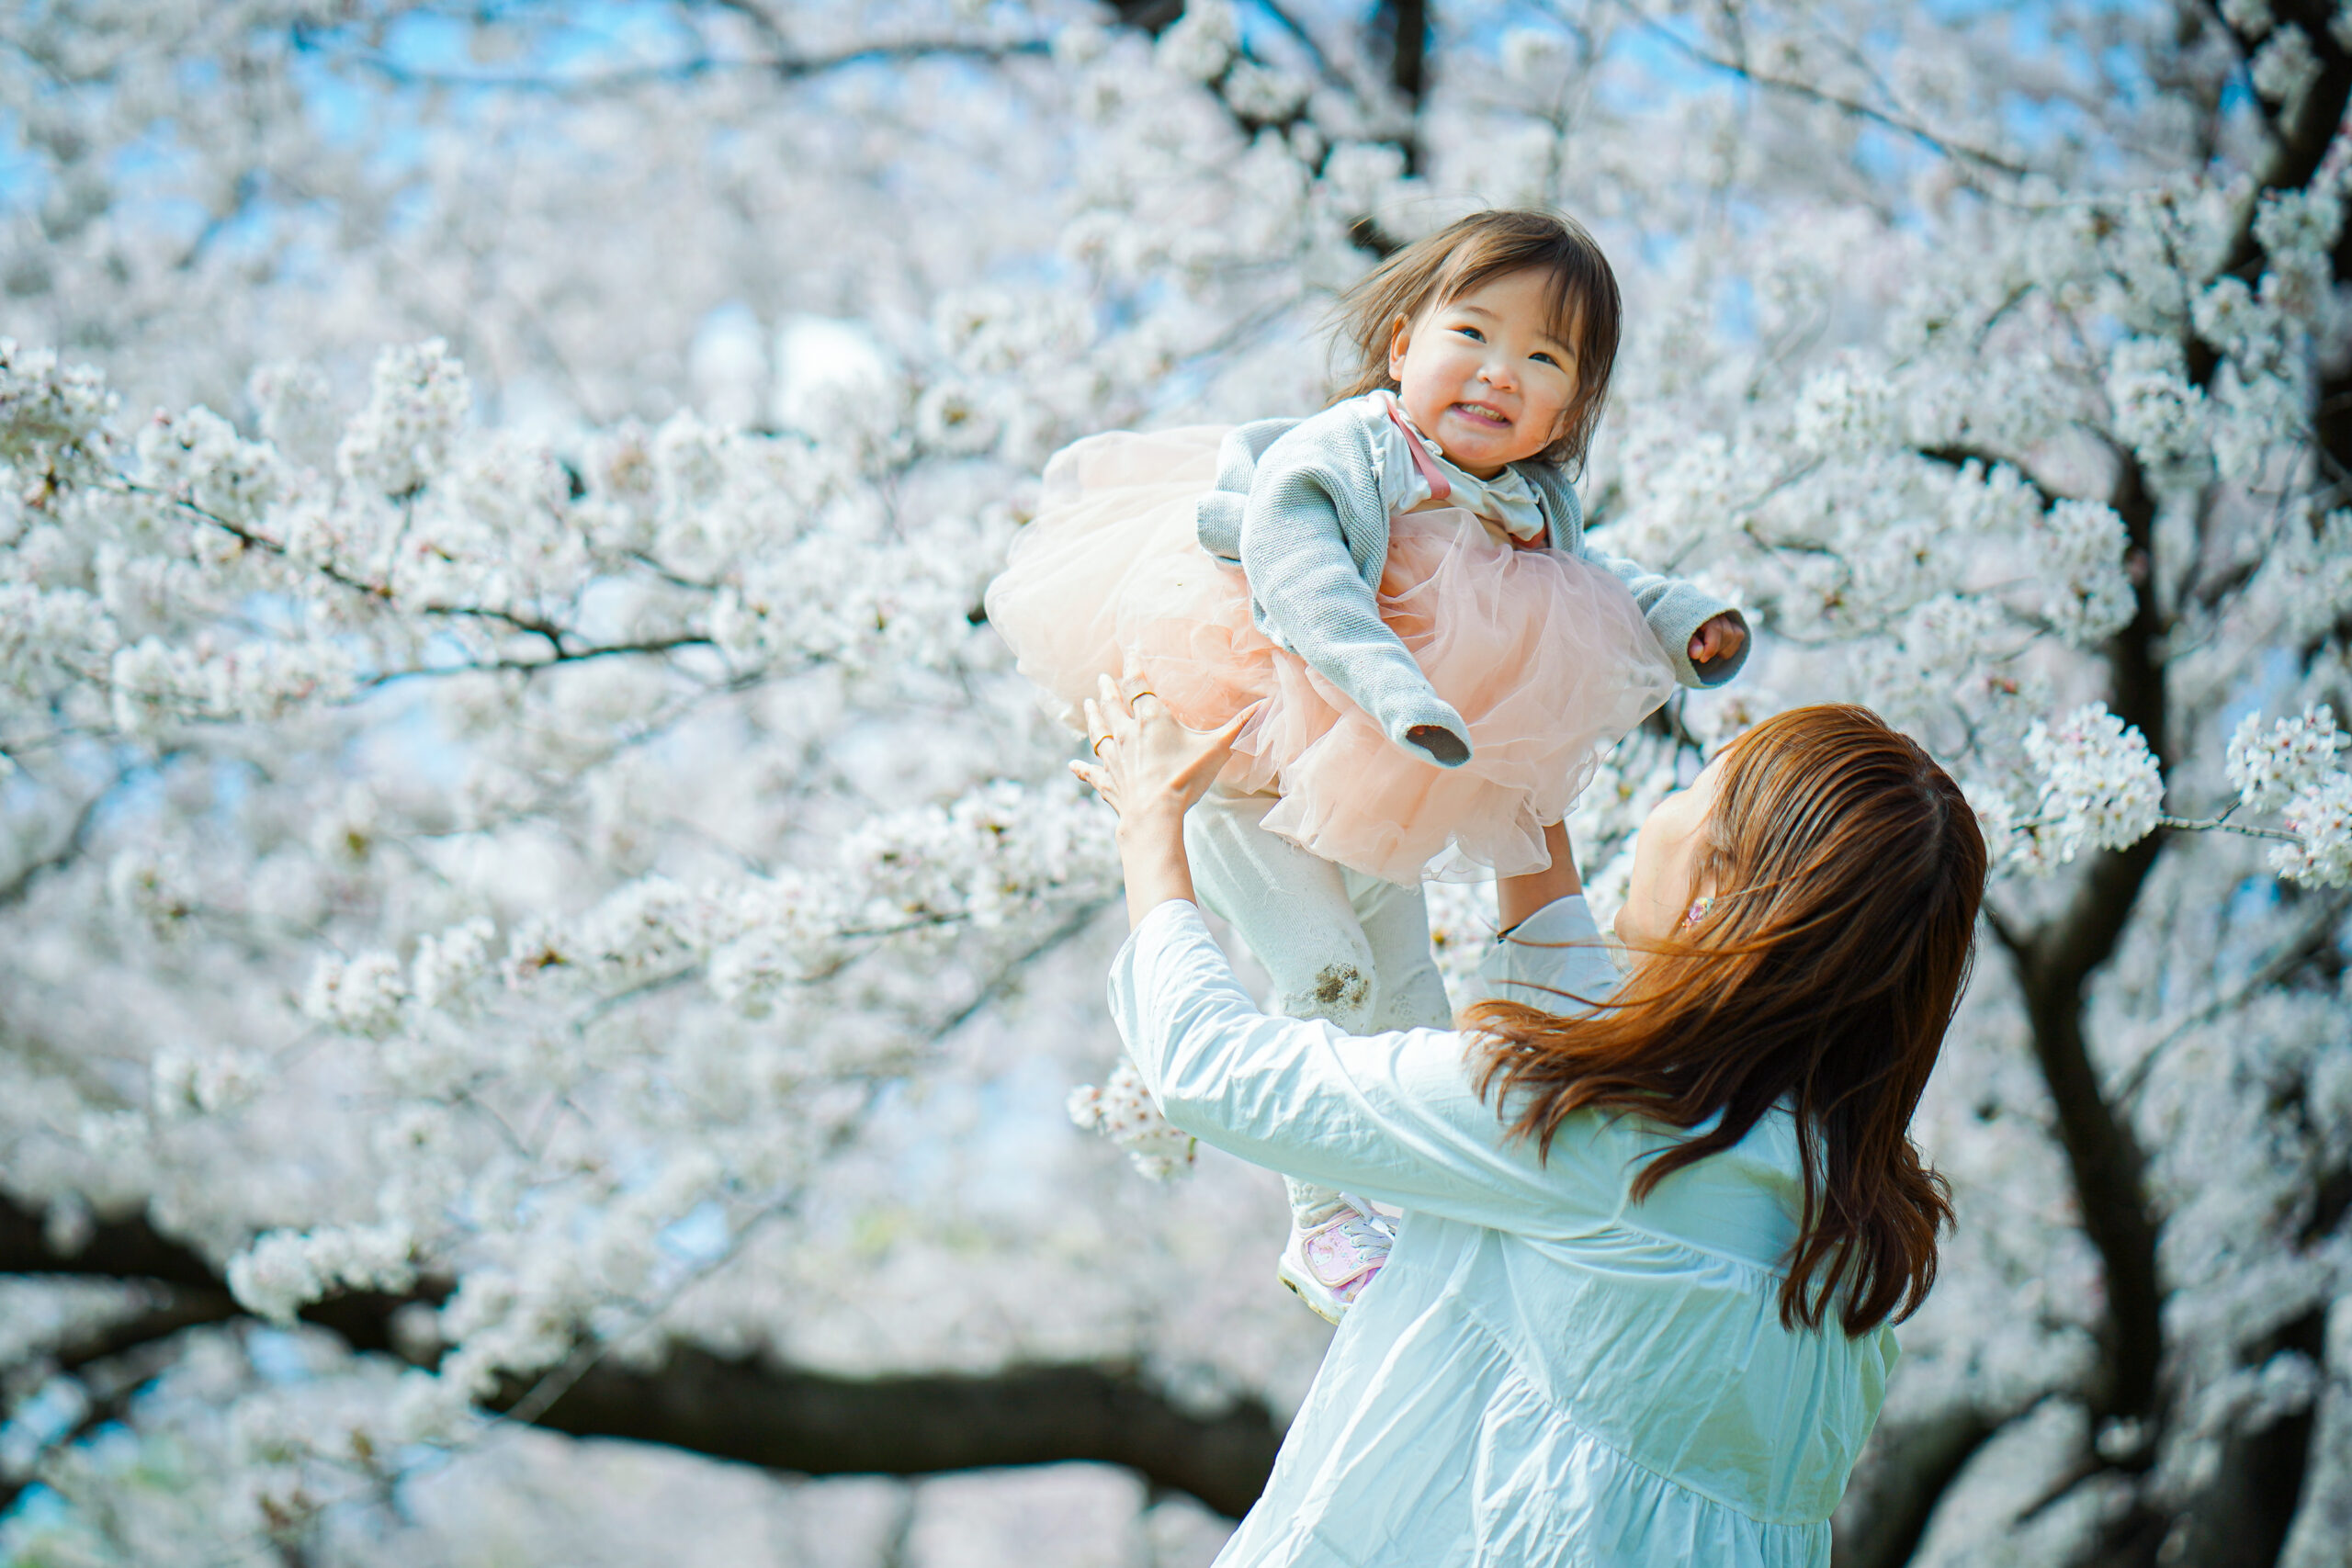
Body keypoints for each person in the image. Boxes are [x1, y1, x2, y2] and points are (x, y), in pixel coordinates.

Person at [986, 209, 1749, 1317]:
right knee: (1327, 971)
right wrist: (1398, 690)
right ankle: (1325, 1222)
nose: (1499, 374)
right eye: (1473, 336)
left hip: (1371, 772)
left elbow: (1597, 584)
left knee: (1408, 988)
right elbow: (1298, 568)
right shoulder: (1354, 448)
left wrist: (1683, 625)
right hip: (1241, 755)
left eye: (1543, 359)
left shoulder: (1532, 506)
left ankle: (1406, 1195)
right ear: (1402, 346)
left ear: (1570, 410)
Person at [1069, 680, 1984, 1564]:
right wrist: (1522, 759)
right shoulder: (1841, 1230)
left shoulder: (1599, 1135)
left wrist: (1150, 824)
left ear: (1720, 885)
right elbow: (1590, 1083)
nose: (1664, 805)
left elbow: (1214, 1070)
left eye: (1697, 786)